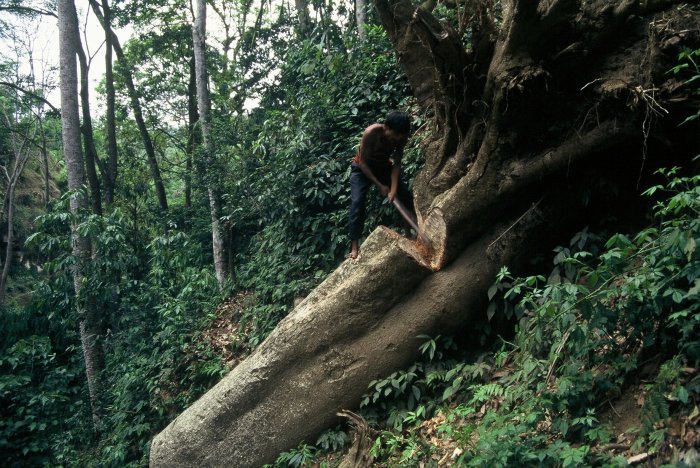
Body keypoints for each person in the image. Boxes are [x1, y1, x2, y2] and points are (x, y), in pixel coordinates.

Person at [347, 111, 415, 259]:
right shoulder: (371, 133)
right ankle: (354, 245)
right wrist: (380, 186)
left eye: (401, 135)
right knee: (357, 201)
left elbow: (396, 165)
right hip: (361, 168)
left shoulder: (401, 139)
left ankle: (409, 233)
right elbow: (363, 163)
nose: (398, 138)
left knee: (404, 195)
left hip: (383, 166)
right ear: (386, 127)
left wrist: (393, 190)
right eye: (395, 134)